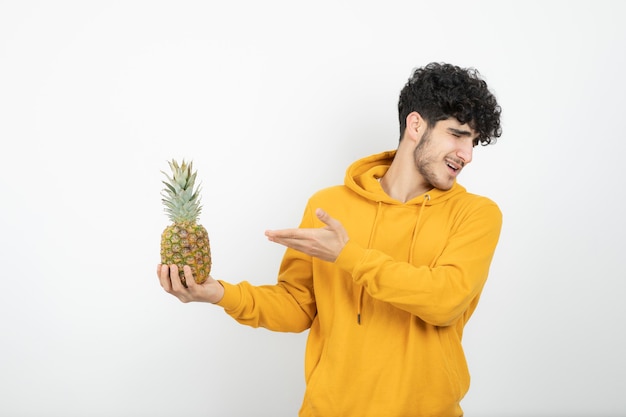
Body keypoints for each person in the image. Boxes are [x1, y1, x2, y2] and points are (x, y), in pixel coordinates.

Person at [157, 62, 503, 417]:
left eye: (473, 142)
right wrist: (219, 293)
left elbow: (445, 300)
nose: (468, 154)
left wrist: (348, 256)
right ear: (416, 125)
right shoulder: (329, 205)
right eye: (458, 134)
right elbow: (297, 307)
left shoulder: (476, 214)